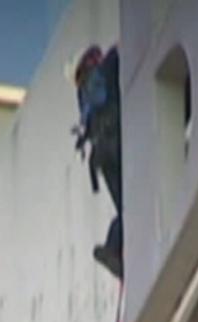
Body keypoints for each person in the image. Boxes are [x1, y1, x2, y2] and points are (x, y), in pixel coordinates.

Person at [72, 44, 124, 280]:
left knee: (127, 206)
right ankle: (115, 247)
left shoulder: (83, 95)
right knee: (132, 205)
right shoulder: (109, 63)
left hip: (101, 156)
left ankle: (115, 247)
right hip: (119, 143)